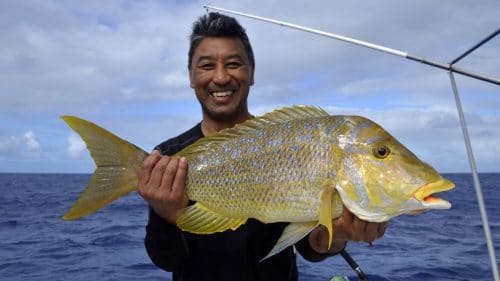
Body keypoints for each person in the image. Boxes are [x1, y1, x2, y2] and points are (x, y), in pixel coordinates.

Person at [138, 12, 388, 281]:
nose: (221, 77)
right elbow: (166, 260)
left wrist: (338, 235)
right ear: (191, 76)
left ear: (251, 72)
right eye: (207, 66)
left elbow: (311, 247)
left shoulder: (290, 142)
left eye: (233, 64)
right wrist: (167, 215)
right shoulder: (169, 156)